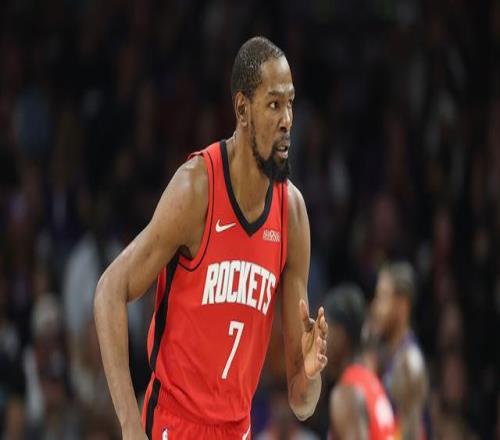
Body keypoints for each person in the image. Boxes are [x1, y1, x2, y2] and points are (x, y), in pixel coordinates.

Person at [94, 36, 328, 440]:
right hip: (173, 423)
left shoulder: (291, 213)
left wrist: (309, 371)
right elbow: (108, 291)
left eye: (290, 103)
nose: (287, 119)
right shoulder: (196, 190)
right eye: (274, 104)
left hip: (237, 428)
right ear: (242, 109)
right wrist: (131, 427)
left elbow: (301, 402)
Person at [325, 283, 395, 439]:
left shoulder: (346, 394)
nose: (321, 339)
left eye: (325, 330)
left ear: (340, 335)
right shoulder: (370, 380)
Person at [371, 262, 428, 439]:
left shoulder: (410, 361)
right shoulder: (387, 355)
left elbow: (413, 434)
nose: (375, 306)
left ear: (402, 305)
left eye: (383, 297)